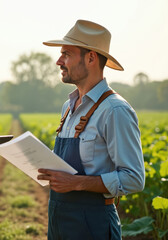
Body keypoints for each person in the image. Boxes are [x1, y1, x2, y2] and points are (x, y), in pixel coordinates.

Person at [37, 19, 145, 239]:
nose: (59, 61)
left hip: (93, 224)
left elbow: (134, 178)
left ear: (91, 58)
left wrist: (77, 183)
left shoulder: (115, 110)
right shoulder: (68, 107)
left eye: (66, 54)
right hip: (59, 220)